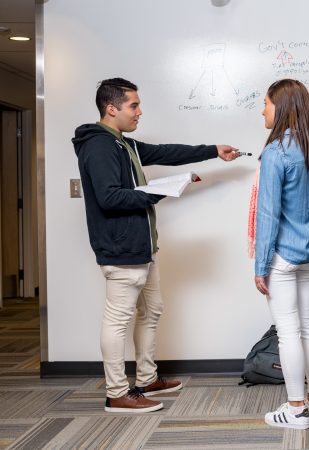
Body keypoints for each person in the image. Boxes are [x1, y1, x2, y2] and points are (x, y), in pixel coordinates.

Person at [73, 77, 240, 413]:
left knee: (152, 311)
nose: (139, 112)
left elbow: (165, 152)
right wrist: (166, 188)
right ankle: (117, 392)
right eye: (133, 105)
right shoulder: (99, 146)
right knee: (118, 319)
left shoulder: (124, 144)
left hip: (143, 247)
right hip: (121, 249)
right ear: (111, 108)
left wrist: (212, 150)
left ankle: (146, 378)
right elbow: (109, 198)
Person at [253, 79, 309, 430]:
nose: (261, 109)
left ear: (279, 108)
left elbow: (268, 216)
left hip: (283, 255)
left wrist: (260, 265)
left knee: (288, 332)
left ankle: (296, 410)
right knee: (307, 325)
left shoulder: (276, 153)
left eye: (265, 103)